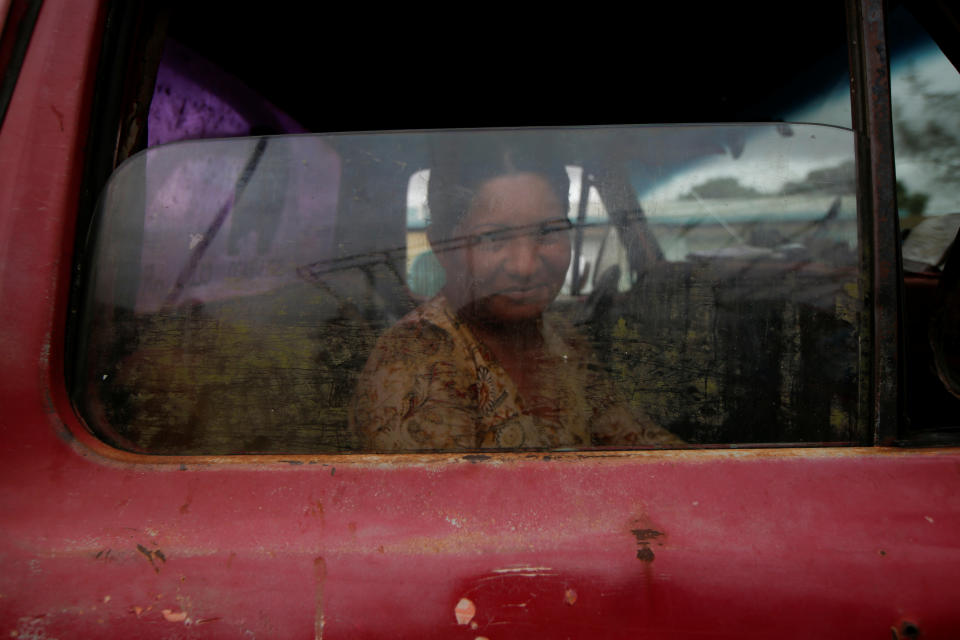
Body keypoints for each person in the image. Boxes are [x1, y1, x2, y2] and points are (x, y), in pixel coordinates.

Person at [350, 136, 681, 451]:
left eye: (548, 232)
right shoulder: (417, 356)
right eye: (494, 238)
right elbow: (445, 505)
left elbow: (642, 448)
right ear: (440, 244)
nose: (524, 266)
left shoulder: (563, 342)